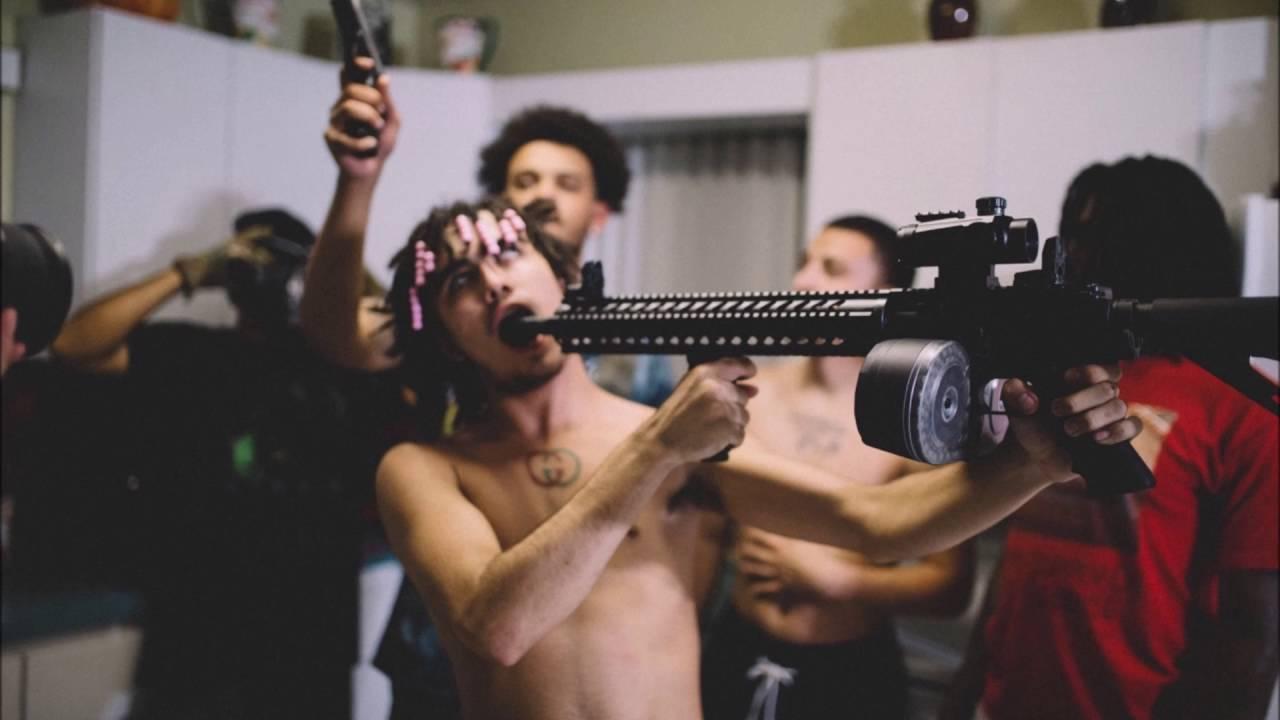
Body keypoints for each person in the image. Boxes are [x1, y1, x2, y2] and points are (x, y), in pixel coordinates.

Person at [346, 182, 1134, 718]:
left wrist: (1031, 465)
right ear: (444, 338)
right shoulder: (424, 468)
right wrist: (656, 448)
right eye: (459, 282)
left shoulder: (666, 440)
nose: (491, 283)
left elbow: (876, 521)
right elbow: (497, 627)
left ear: (562, 278)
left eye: (507, 256)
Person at [942, 156, 1279, 720]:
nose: (1073, 253)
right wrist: (962, 694)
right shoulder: (1057, 373)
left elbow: (1252, 633)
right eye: (1072, 232)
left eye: (1094, 234)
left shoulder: (1243, 410)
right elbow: (1017, 558)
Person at [43, 209, 406, 719]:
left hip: (310, 648)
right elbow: (72, 345)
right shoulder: (192, 356)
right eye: (253, 264)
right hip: (197, 644)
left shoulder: (351, 368)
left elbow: (414, 339)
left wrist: (342, 280)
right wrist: (186, 272)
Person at [701, 215, 974, 719]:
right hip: (735, 647)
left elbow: (949, 586)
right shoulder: (751, 395)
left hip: (849, 674)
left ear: (884, 295)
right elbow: (704, 530)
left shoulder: (910, 423)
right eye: (804, 264)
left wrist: (837, 580)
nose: (803, 281)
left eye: (831, 269)